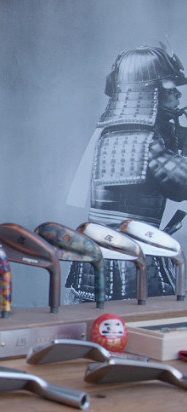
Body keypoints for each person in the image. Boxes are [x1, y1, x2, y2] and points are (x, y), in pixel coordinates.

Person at [67, 44, 187, 303]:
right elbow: (181, 185)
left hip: (113, 249)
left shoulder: (118, 131)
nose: (178, 95)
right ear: (147, 92)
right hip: (122, 258)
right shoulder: (137, 136)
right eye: (169, 89)